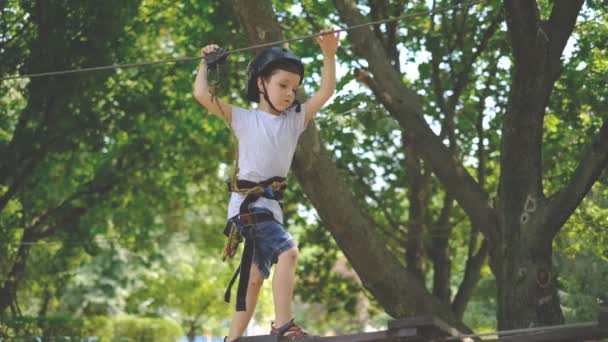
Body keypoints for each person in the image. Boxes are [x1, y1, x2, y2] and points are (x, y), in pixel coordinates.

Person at [193, 29, 339, 341]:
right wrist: (205, 64)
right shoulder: (243, 118)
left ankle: (231, 340)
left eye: (294, 87)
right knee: (289, 253)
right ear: (261, 83)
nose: (289, 93)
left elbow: (325, 92)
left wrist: (329, 53)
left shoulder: (295, 120)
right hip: (247, 209)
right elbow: (202, 96)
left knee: (255, 278)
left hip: (270, 209)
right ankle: (284, 326)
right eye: (282, 85)